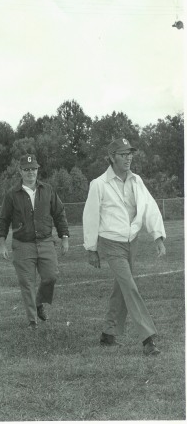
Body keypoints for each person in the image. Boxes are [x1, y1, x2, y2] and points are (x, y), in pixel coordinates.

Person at [83, 137, 166, 356]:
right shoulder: (99, 184)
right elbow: (90, 217)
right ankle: (148, 339)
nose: (128, 157)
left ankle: (108, 335)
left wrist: (157, 235)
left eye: (130, 153)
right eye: (123, 154)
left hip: (132, 242)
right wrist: (91, 248)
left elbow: (149, 206)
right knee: (129, 286)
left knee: (121, 288)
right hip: (111, 244)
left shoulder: (136, 180)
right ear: (111, 157)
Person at [0, 154, 70, 329]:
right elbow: (3, 220)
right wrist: (1, 242)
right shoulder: (12, 194)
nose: (31, 172)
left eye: (33, 169)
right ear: (20, 171)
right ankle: (32, 321)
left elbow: (59, 214)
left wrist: (64, 237)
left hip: (45, 242)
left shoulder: (48, 190)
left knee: (51, 277)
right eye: (27, 169)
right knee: (27, 283)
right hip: (22, 245)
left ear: (38, 170)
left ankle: (38, 303)